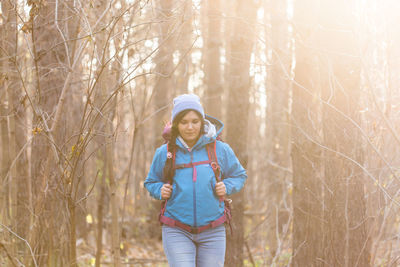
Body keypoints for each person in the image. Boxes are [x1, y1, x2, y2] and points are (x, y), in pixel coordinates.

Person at [144, 94, 247, 267]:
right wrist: (159, 190)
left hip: (213, 231)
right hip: (176, 229)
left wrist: (227, 186)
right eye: (184, 122)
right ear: (176, 124)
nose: (190, 127)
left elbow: (240, 175)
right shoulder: (165, 152)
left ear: (202, 121)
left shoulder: (220, 149)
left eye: (195, 121)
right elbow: (151, 182)